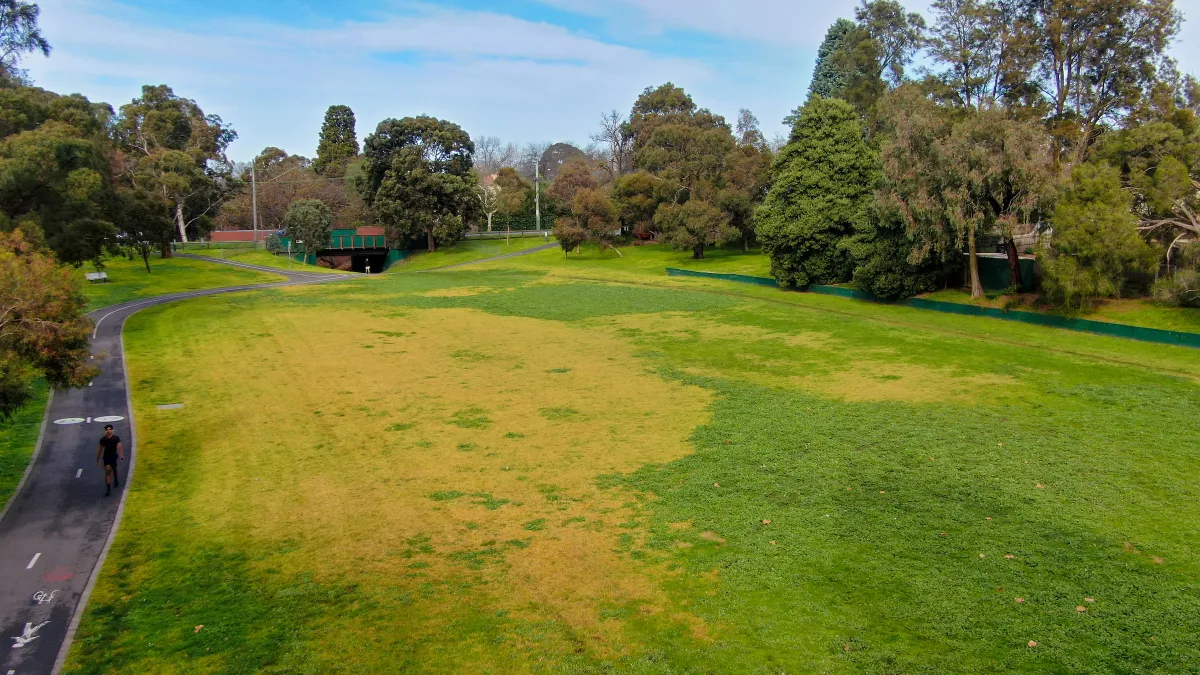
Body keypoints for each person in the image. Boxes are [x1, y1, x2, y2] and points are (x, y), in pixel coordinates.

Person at [95, 425, 124, 497]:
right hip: (106, 457)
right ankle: (108, 488)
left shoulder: (116, 438)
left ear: (112, 430)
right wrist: (98, 460)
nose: (108, 431)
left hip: (113, 456)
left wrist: (121, 455)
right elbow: (100, 450)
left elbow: (119, 447)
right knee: (108, 470)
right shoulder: (103, 440)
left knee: (114, 468)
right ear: (105, 431)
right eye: (107, 430)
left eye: (110, 429)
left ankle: (116, 480)